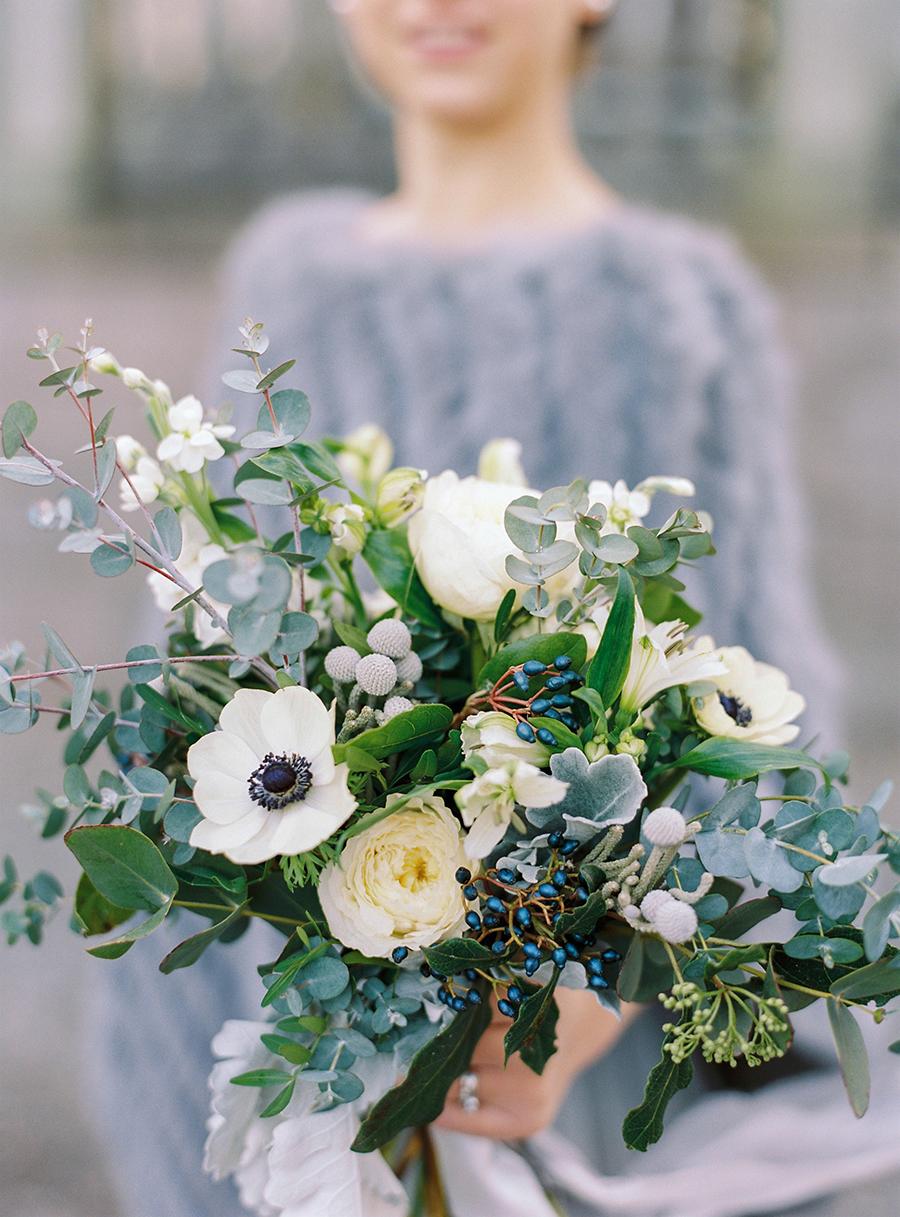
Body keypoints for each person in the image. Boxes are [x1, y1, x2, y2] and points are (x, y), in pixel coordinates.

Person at [94, 3, 881, 1215]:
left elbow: (766, 716)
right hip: (293, 1021)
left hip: (569, 1063)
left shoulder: (676, 303)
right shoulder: (286, 278)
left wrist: (583, 1004)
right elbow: (207, 646)